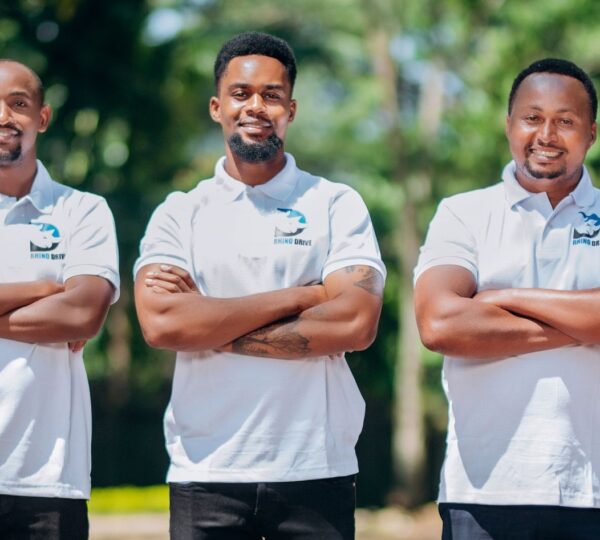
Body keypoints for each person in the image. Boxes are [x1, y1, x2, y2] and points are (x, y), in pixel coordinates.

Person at [134, 32, 385, 539]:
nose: (256, 107)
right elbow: (163, 324)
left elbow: (356, 323)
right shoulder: (180, 213)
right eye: (241, 93)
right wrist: (306, 294)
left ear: (290, 109)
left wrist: (210, 326)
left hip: (316, 468)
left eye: (271, 95)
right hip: (207, 471)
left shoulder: (335, 203)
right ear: (216, 107)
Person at [415, 58, 600, 539]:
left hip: (592, 491)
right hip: (485, 492)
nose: (546, 135)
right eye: (532, 117)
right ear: (509, 125)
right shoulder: (463, 214)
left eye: (565, 121)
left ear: (592, 133)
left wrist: (503, 296)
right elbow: (440, 325)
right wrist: (584, 323)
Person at [0, 60, 119, 539]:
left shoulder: (83, 211)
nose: (4, 116)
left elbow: (83, 313)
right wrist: (45, 289)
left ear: (42, 118)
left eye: (18, 103)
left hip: (45, 479)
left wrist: (67, 309)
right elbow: (67, 305)